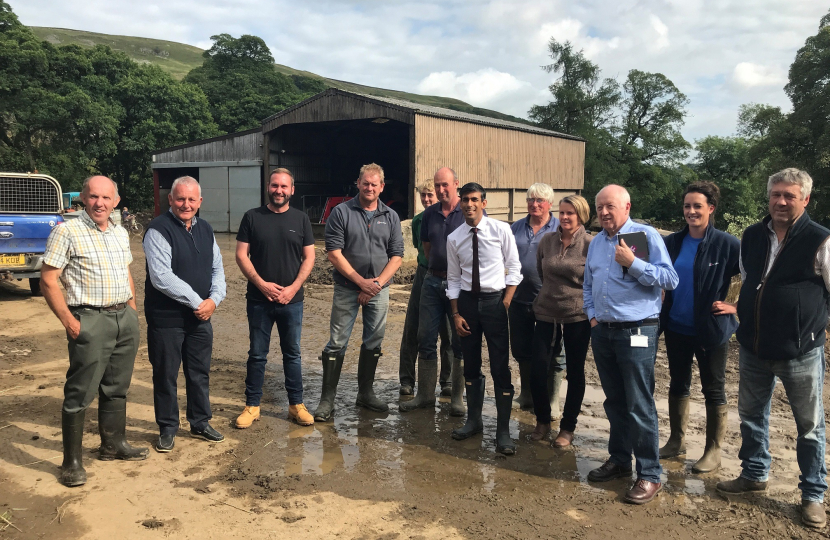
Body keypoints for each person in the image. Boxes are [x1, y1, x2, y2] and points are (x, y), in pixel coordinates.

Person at [716, 168, 830, 530]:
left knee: (809, 427)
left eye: (789, 195)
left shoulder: (820, 239)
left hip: (800, 351)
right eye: (775, 194)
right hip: (752, 346)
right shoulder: (752, 235)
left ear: (805, 199)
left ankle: (813, 495)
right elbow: (749, 280)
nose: (781, 201)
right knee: (751, 416)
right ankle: (754, 474)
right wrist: (739, 310)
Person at [40, 175, 148, 487]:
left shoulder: (118, 232)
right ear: (84, 199)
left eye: (106, 198)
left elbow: (126, 270)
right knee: (79, 392)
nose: (99, 203)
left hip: (122, 319)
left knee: (117, 387)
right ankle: (71, 462)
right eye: (93, 197)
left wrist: (132, 310)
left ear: (115, 201)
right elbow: (48, 279)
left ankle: (114, 445)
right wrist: (70, 322)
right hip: (90, 319)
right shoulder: (67, 231)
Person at [583, 184, 678, 504]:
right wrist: (593, 316)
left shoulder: (644, 236)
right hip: (604, 331)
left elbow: (670, 280)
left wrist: (633, 262)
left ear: (627, 206)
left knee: (639, 403)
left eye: (610, 206)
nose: (605, 212)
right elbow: (588, 284)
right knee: (615, 401)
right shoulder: (596, 242)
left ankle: (650, 474)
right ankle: (621, 460)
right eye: (600, 208)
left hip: (637, 331)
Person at [658, 181, 740, 473]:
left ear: (711, 209)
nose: (691, 211)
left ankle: (713, 451)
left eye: (697, 206)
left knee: (713, 389)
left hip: (710, 330)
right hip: (676, 326)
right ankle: (676, 441)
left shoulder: (727, 244)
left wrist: (735, 307)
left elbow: (756, 277)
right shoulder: (672, 242)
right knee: (678, 383)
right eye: (687, 206)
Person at [143, 176, 227, 452]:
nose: (186, 204)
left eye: (192, 199)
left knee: (199, 372)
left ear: (200, 202)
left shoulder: (205, 229)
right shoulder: (158, 229)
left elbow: (217, 270)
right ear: (170, 200)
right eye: (180, 199)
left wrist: (214, 300)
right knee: (166, 374)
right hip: (167, 318)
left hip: (200, 317)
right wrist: (197, 302)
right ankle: (168, 427)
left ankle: (200, 422)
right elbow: (161, 277)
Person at [315, 163, 404, 421]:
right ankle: (326, 400)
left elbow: (397, 256)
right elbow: (334, 253)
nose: (370, 188)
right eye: (366, 183)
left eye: (374, 184)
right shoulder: (341, 212)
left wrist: (374, 285)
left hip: (379, 289)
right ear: (358, 183)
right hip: (346, 289)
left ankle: (365, 393)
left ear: (381, 187)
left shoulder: (390, 216)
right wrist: (359, 282)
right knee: (337, 342)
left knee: (374, 341)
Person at [235, 168, 316, 428]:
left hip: (292, 301)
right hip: (259, 301)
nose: (278, 190)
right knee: (257, 354)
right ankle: (252, 406)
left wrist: (293, 288)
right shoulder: (252, 217)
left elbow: (310, 257)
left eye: (284, 186)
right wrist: (261, 285)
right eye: (274, 185)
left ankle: (296, 405)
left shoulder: (301, 219)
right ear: (268, 187)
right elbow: (240, 255)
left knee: (292, 354)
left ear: (292, 190)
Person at [447, 183, 522, 455]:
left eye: (475, 200)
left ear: (484, 203)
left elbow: (514, 268)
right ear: (460, 204)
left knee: (500, 365)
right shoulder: (454, 237)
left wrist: (505, 302)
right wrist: (455, 314)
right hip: (466, 304)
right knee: (470, 364)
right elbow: (453, 278)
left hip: (495, 303)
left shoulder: (501, 230)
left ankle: (502, 431)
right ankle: (474, 420)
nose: (469, 205)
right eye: (465, 200)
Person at [400, 167, 466, 416]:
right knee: (425, 337)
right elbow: (426, 249)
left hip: (458, 286)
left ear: (455, 184)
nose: (440, 190)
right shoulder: (429, 214)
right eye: (437, 185)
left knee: (458, 340)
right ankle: (425, 396)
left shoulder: (466, 212)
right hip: (431, 281)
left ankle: (457, 398)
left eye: (444, 185)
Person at [531, 195, 593, 446]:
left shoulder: (590, 244)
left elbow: (593, 280)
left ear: (581, 216)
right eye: (562, 212)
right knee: (537, 370)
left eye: (571, 213)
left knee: (575, 372)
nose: (565, 217)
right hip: (546, 313)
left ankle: (567, 427)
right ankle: (543, 420)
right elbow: (539, 271)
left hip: (577, 317)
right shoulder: (547, 240)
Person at [509, 183, 565, 416]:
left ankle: (552, 400)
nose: (534, 204)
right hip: (519, 298)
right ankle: (527, 395)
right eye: (531, 199)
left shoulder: (560, 228)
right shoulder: (516, 227)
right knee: (522, 349)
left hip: (550, 301)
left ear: (550, 204)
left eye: (540, 200)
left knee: (554, 351)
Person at [398, 180, 452, 397]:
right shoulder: (419, 221)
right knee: (413, 325)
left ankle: (447, 381)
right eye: (424, 196)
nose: (427, 199)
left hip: (447, 276)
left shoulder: (450, 217)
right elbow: (419, 248)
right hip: (423, 273)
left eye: (431, 195)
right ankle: (407, 380)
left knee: (448, 330)